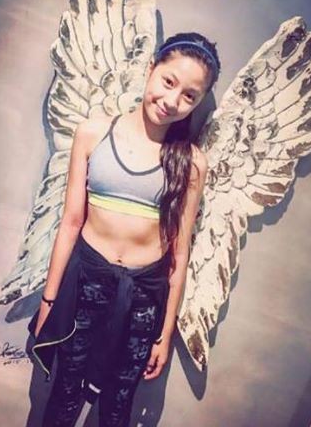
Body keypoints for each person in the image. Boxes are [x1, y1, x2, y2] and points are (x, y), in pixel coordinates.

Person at [27, 32, 221, 426]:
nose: (172, 101)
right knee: (64, 393)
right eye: (168, 81)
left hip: (143, 299)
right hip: (86, 284)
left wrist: (164, 334)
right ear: (151, 69)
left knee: (117, 405)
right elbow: (71, 222)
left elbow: (179, 253)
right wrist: (48, 301)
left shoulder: (191, 163)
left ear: (198, 102)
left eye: (189, 96)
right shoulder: (92, 133)